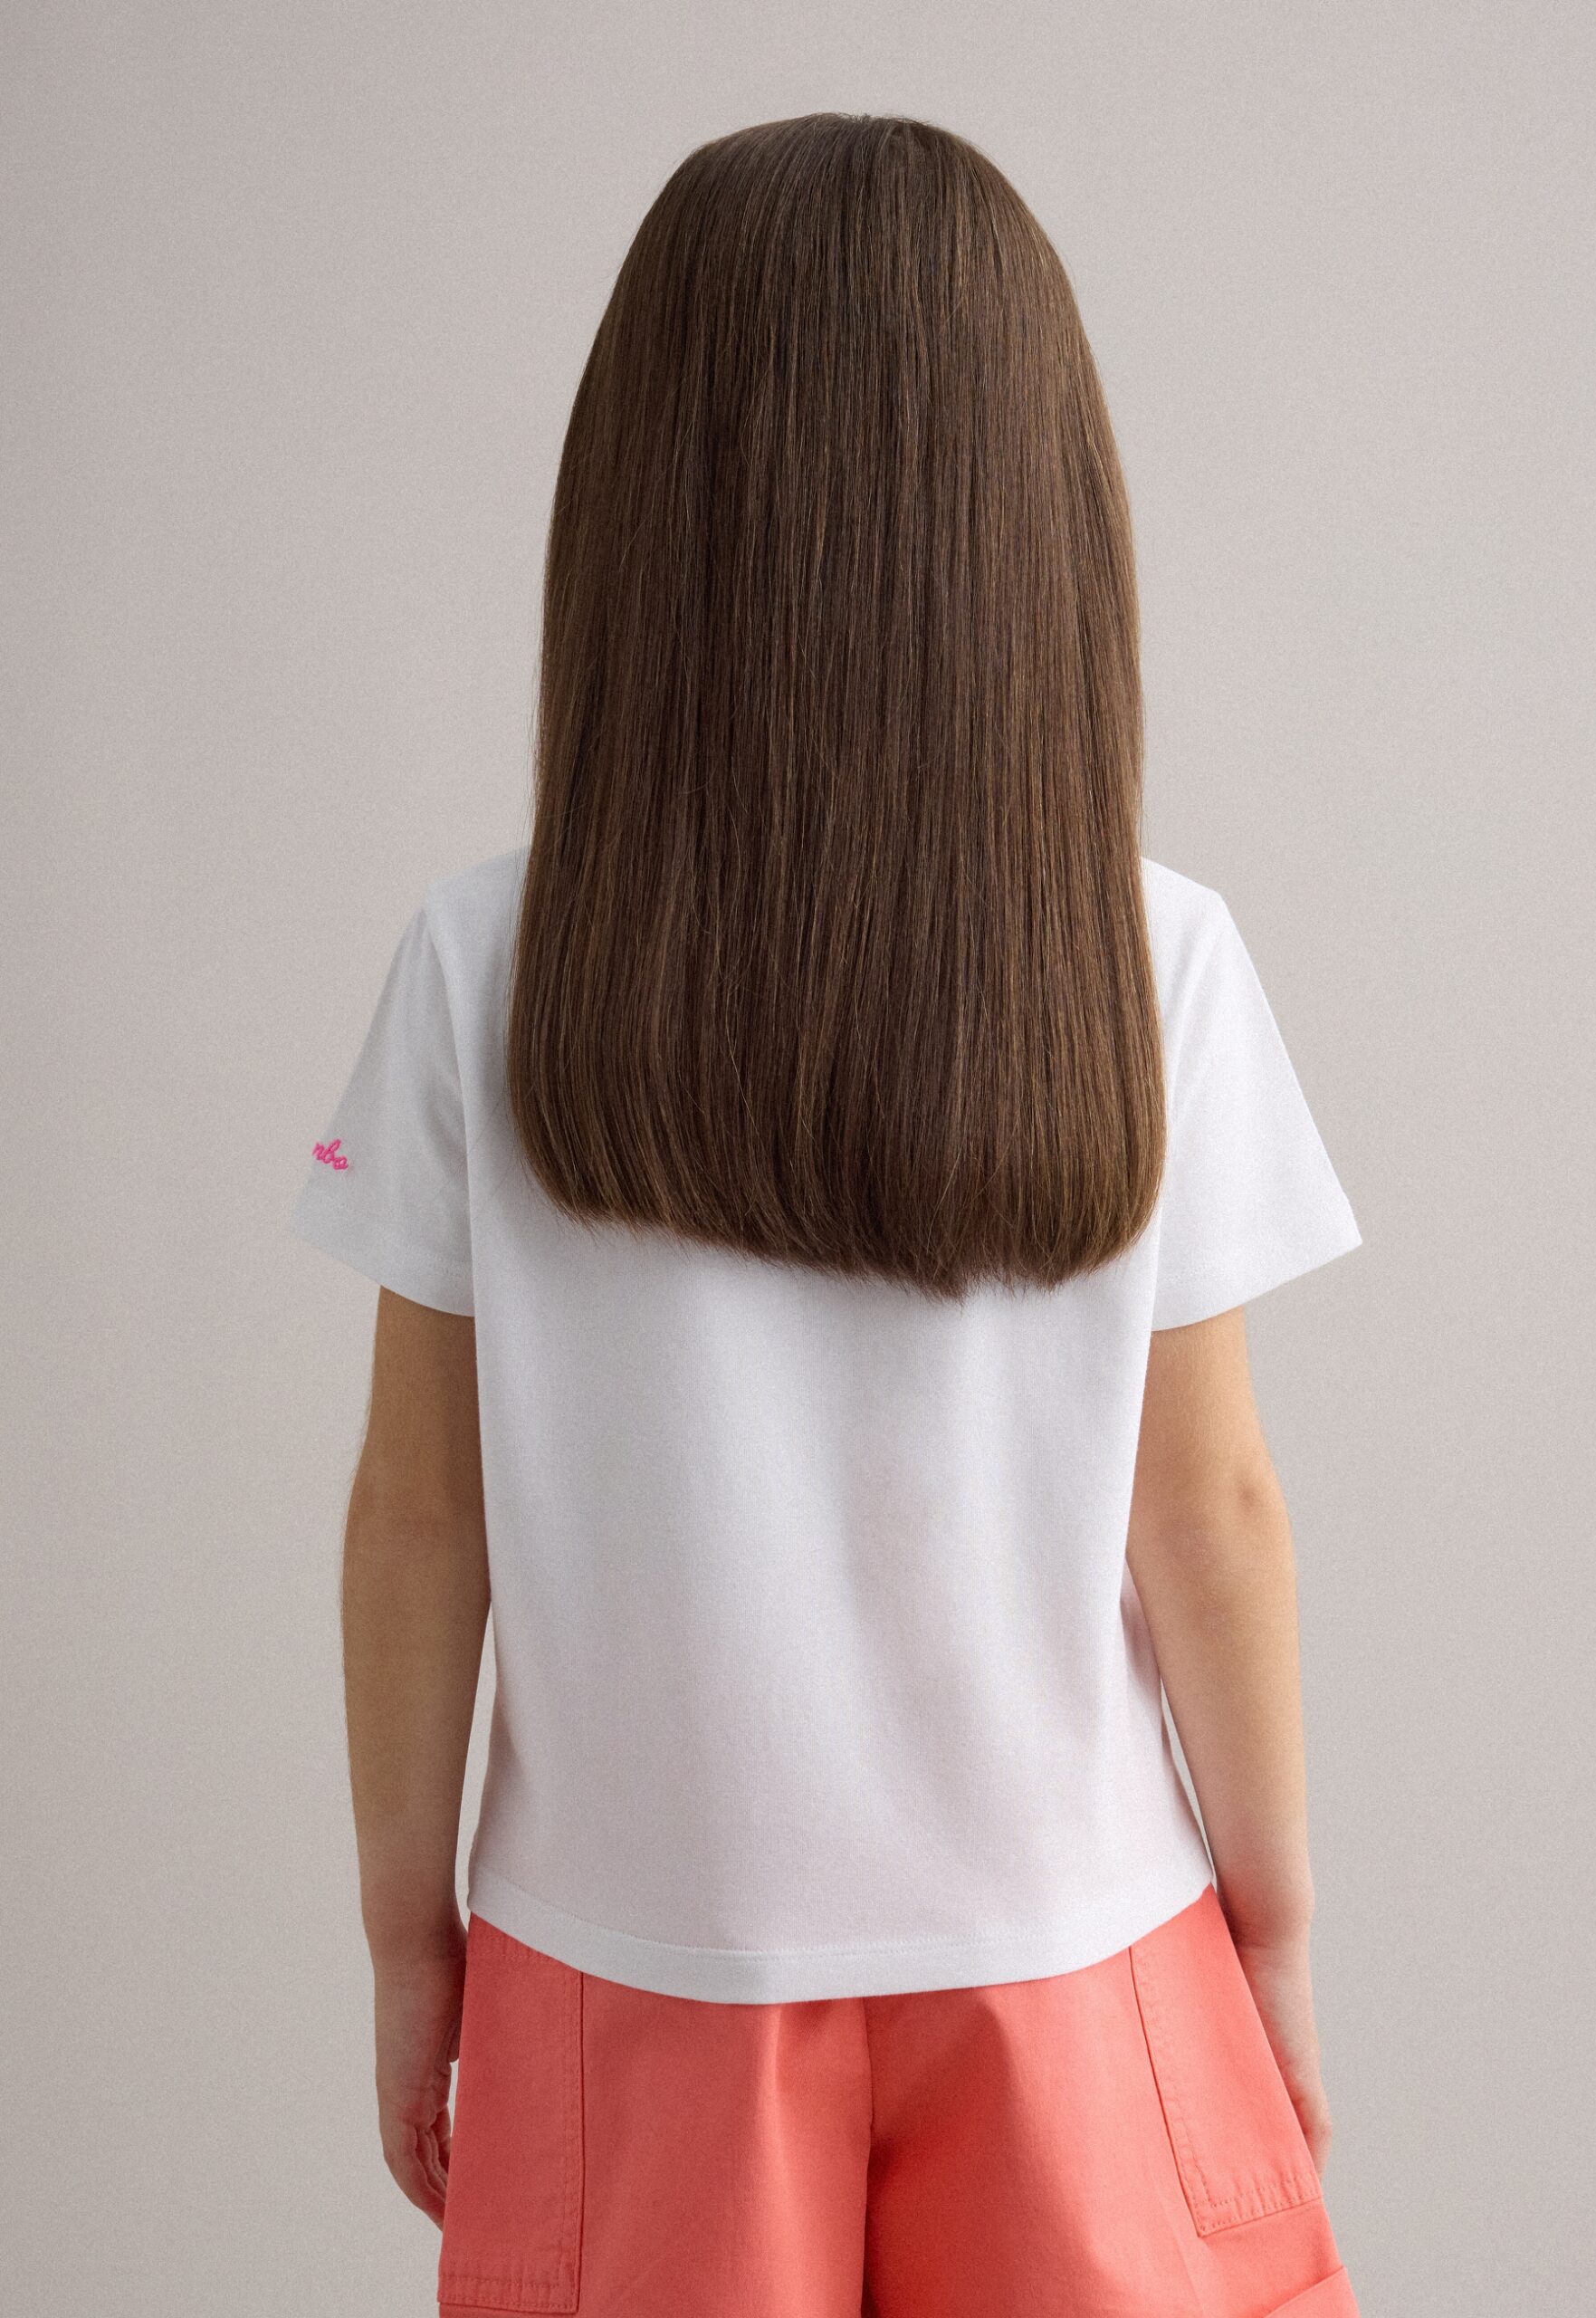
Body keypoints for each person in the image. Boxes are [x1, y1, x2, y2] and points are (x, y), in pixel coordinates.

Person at [293, 111, 1363, 2318]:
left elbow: (417, 1514)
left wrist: (411, 1939)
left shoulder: (483, 965)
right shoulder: (1146, 957)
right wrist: (1270, 1924)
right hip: (1079, 1947)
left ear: (636, 511)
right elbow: (1213, 1514)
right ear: (1034, 521)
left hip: (625, 1962)